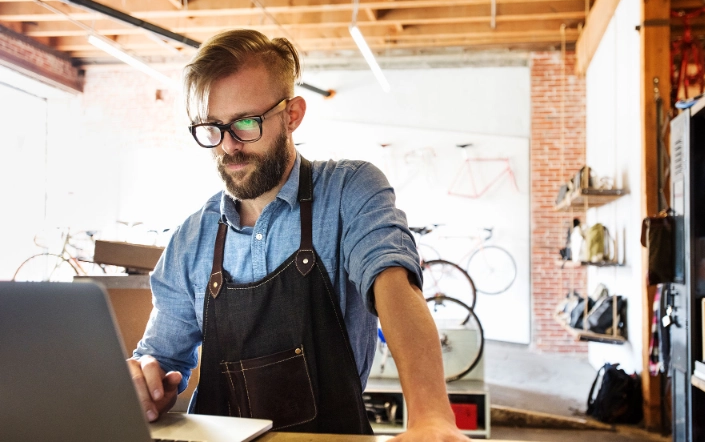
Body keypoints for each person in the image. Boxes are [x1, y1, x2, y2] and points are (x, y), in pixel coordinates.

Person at [126, 29, 468, 441]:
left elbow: (394, 285)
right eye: (213, 128)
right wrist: (147, 384)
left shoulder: (349, 191)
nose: (228, 147)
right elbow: (160, 357)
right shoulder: (190, 239)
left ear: (292, 114)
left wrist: (432, 416)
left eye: (246, 123)